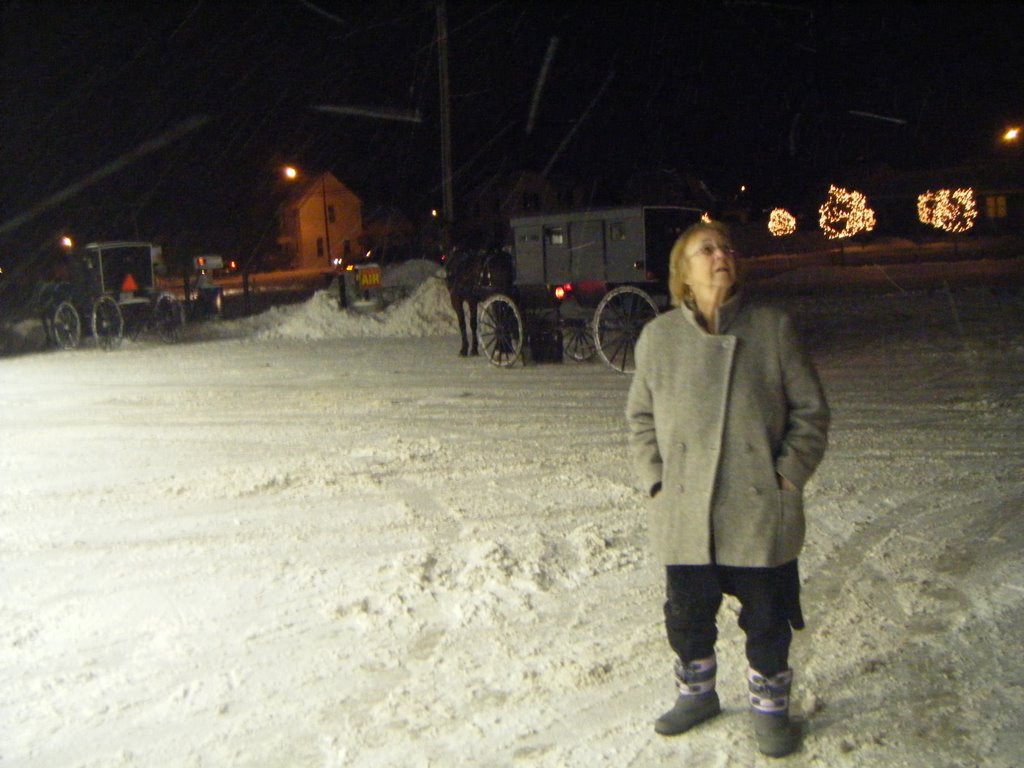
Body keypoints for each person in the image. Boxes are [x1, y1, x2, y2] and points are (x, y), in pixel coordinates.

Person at [625, 220, 829, 758]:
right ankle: (697, 695)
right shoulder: (658, 338)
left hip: (759, 507)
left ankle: (770, 709)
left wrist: (786, 475)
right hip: (685, 510)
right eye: (706, 249)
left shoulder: (772, 328)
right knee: (687, 612)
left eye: (727, 248)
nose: (721, 255)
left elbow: (811, 412)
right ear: (683, 272)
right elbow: (639, 420)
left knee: (767, 616)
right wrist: (657, 481)